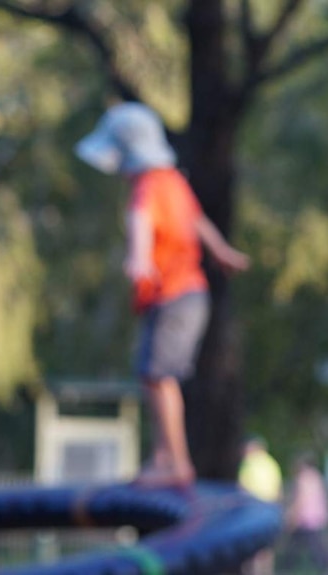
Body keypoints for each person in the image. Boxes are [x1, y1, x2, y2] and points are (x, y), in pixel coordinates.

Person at [75, 102, 250, 488]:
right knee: (151, 375)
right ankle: (162, 456)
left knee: (158, 376)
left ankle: (177, 464)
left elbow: (140, 221)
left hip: (175, 295)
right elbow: (198, 219)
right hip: (182, 296)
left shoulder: (147, 186)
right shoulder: (173, 179)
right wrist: (221, 251)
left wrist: (138, 258)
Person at [238, 436, 283, 575]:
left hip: (253, 511)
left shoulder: (248, 462)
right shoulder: (272, 463)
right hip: (270, 510)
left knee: (252, 550)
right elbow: (279, 490)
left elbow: (241, 488)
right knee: (266, 549)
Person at [282, 453, 328, 572]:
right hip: (316, 515)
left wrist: (292, 514)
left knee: (308, 544)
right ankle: (288, 565)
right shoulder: (316, 476)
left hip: (304, 517)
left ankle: (288, 566)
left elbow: (300, 499)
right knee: (304, 543)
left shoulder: (302, 478)